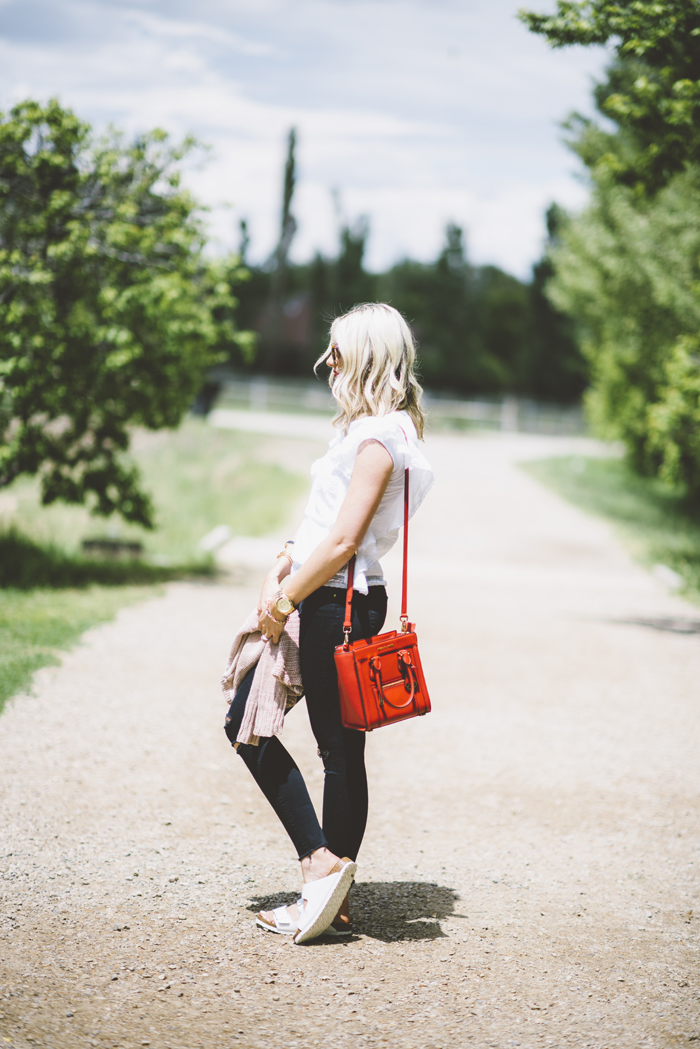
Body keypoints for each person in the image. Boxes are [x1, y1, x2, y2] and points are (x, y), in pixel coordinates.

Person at [224, 302, 434, 943]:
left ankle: (321, 871)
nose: (328, 360)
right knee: (334, 749)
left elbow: (345, 540)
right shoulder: (368, 429)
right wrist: (283, 559)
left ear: (367, 356)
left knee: (281, 734)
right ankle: (331, 893)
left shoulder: (380, 437)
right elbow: (322, 526)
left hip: (336, 601)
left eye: (339, 349)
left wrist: (285, 599)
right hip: (329, 594)